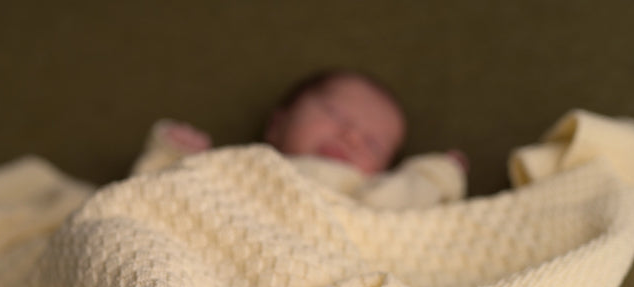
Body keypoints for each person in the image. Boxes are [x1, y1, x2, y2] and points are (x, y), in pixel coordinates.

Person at [133, 70, 469, 209]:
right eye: (336, 115)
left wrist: (436, 175)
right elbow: (161, 200)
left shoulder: (366, 193)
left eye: (373, 145)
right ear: (278, 124)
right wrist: (173, 156)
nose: (351, 136)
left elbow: (405, 201)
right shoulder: (239, 167)